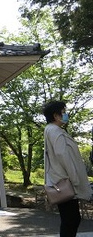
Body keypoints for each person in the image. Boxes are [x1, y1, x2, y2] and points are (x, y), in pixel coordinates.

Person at [43, 101, 91, 237]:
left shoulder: (52, 130)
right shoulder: (54, 130)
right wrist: (74, 179)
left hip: (62, 180)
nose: (65, 114)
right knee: (71, 220)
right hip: (66, 182)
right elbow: (62, 155)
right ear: (56, 115)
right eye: (63, 112)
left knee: (71, 220)